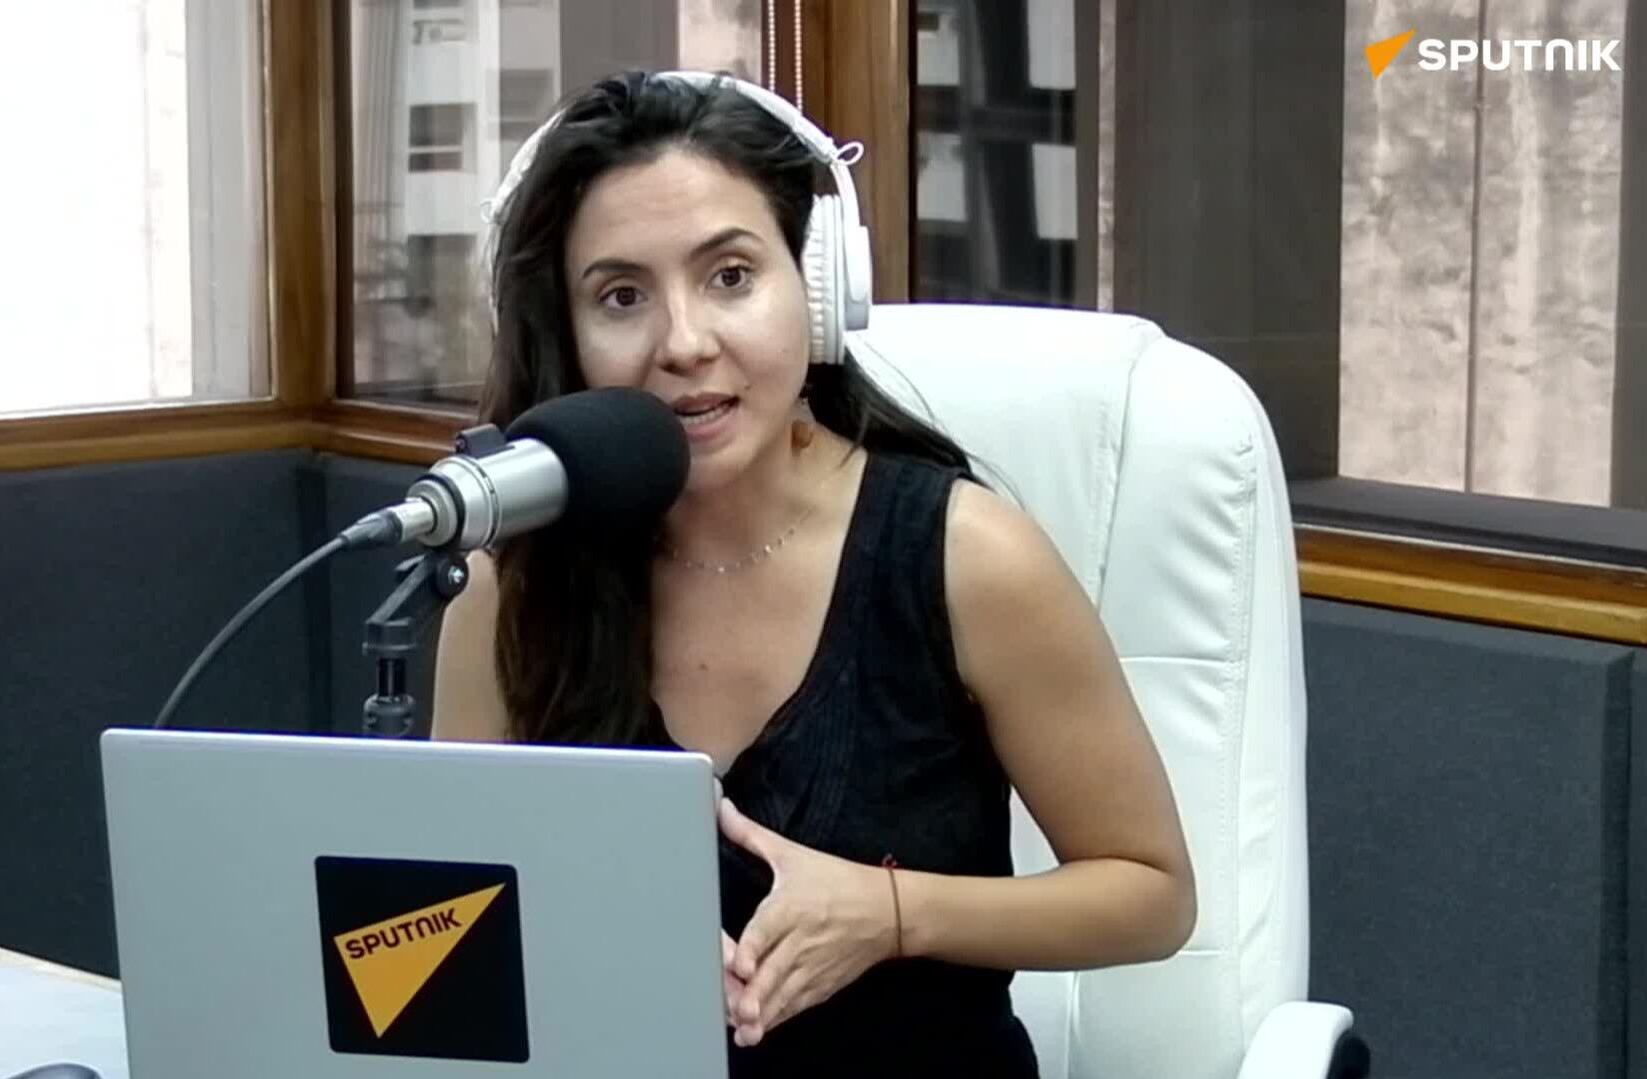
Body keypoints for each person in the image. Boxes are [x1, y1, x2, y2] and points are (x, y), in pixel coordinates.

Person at [432, 69, 1195, 1077]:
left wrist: (890, 911)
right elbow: (452, 907)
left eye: (730, 276)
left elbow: (1151, 893)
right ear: (564, 335)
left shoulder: (969, 558)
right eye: (622, 296)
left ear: (819, 289)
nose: (685, 342)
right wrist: (589, 941)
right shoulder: (513, 585)